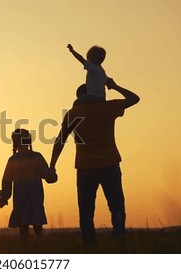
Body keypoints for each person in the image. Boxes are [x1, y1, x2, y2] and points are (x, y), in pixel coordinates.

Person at [49, 78, 140, 246]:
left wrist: (52, 165)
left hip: (85, 167)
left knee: (86, 211)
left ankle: (90, 246)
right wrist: (115, 86)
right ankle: (119, 239)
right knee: (116, 205)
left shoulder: (73, 113)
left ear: (78, 96)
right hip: (110, 164)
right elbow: (135, 98)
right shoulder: (107, 107)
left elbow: (60, 140)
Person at [0, 128, 58, 245]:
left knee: (23, 223)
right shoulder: (36, 157)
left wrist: (5, 196)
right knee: (37, 221)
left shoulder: (13, 160)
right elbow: (49, 177)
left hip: (20, 196)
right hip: (35, 195)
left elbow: (6, 180)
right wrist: (53, 172)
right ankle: (40, 243)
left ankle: (24, 246)